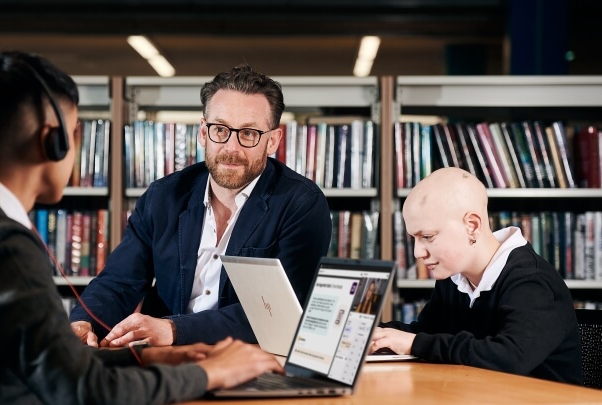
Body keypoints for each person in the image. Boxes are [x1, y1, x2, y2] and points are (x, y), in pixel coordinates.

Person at [0, 51, 282, 404]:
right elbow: (86, 392)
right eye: (76, 132)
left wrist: (153, 355)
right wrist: (211, 372)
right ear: (54, 141)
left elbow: (50, 368)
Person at [70, 65, 332, 348]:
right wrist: (85, 322)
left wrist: (174, 329)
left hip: (252, 361)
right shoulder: (164, 196)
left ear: (272, 141)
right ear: (203, 133)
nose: (231, 148)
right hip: (168, 364)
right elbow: (119, 281)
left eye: (248, 133)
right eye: (220, 129)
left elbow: (277, 315)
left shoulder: (301, 204)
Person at [369, 167, 582, 384]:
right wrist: (371, 334)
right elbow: (426, 333)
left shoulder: (533, 282)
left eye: (427, 236)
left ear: (472, 226)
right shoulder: (454, 278)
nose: (417, 252)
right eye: (414, 239)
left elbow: (509, 359)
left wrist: (415, 343)